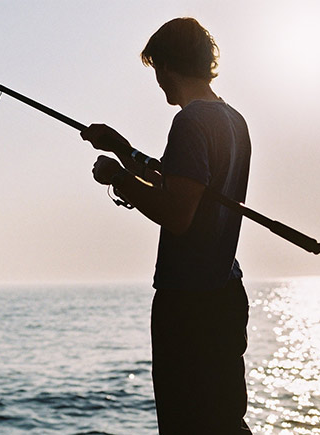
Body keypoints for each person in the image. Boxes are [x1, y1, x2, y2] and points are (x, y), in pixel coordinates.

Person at [81, 18, 252, 434]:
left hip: (188, 303)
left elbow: (177, 213)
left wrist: (117, 178)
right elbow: (179, 186)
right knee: (226, 421)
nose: (158, 82)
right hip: (225, 292)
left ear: (168, 66)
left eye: (157, 69)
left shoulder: (191, 122)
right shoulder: (233, 120)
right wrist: (123, 150)